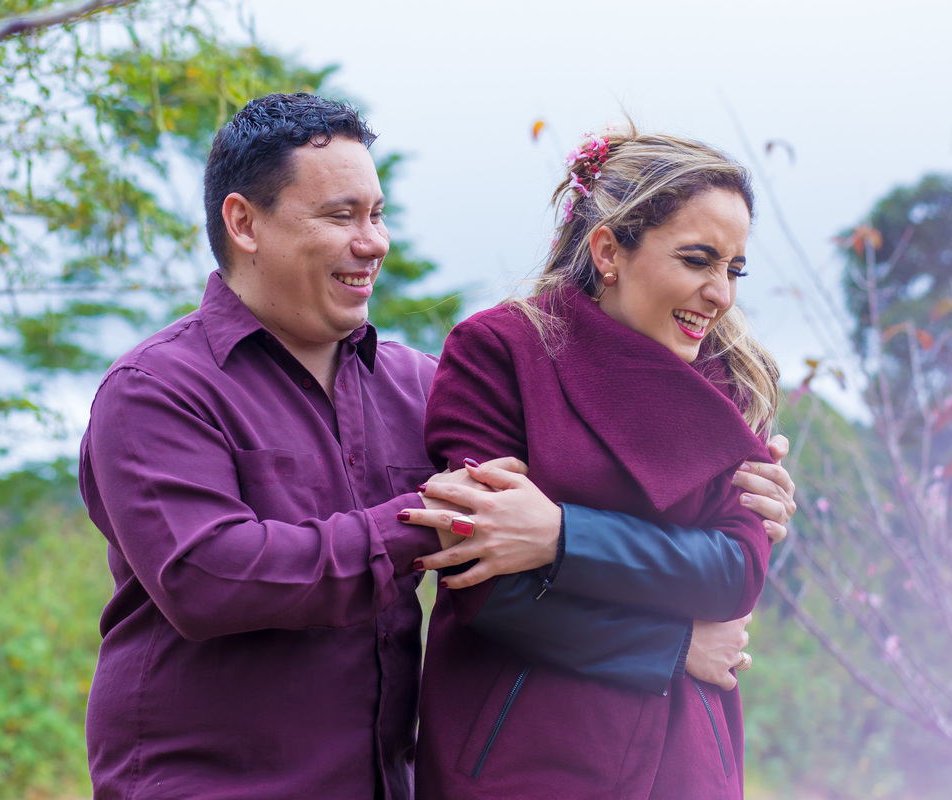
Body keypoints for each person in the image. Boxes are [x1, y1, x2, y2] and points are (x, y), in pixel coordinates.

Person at [77, 94, 796, 799]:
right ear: (244, 222)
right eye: (341, 216)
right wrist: (442, 517)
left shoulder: (415, 385)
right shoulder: (156, 389)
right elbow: (209, 579)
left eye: (378, 214)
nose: (373, 242)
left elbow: (542, 531)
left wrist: (728, 498)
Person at [402, 127, 781, 799]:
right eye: (698, 260)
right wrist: (672, 647)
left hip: (687, 757)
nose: (721, 293)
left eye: (734, 268)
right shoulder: (501, 352)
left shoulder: (733, 383)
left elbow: (735, 573)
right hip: (522, 759)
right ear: (609, 249)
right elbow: (489, 585)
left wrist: (557, 537)